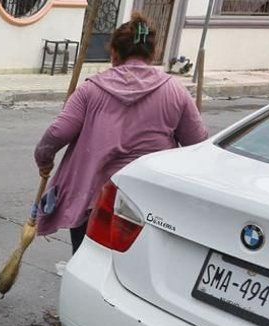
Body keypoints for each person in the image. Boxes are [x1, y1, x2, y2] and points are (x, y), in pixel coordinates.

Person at [34, 13, 207, 253]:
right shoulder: (175, 92)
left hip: (95, 200)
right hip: (148, 201)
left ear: (114, 53)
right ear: (152, 53)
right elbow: (198, 143)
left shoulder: (90, 90)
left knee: (88, 262)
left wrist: (44, 160)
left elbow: (57, 132)